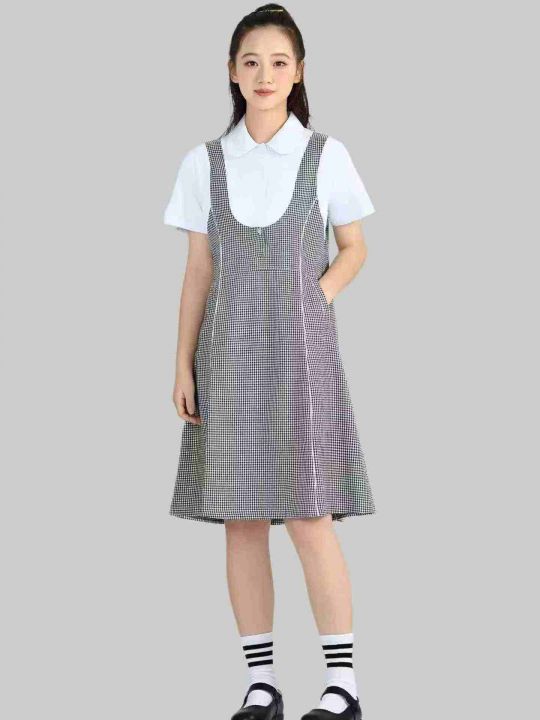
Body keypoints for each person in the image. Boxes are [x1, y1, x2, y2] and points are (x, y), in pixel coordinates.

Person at [163, 5, 376, 719]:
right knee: (242, 520)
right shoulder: (204, 162)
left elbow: (355, 247)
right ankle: (262, 684)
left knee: (310, 515)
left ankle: (343, 685)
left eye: (279, 62)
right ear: (232, 71)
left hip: (303, 357)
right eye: (251, 61)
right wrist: (182, 364)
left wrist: (319, 296)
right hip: (228, 357)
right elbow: (198, 271)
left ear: (299, 72)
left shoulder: (324, 154)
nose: (264, 74)